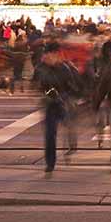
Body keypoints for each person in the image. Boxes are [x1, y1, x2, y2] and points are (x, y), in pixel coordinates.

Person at [35, 41, 81, 174]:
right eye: (47, 55)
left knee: (69, 124)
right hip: (50, 105)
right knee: (50, 134)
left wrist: (67, 96)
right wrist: (44, 95)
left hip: (63, 102)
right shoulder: (40, 69)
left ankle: (72, 144)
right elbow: (37, 86)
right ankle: (50, 162)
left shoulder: (64, 68)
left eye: (52, 55)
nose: (49, 57)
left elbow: (72, 86)